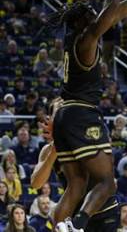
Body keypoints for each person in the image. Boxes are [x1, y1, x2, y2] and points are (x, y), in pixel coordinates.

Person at [48, 0, 127, 232]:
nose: (97, 16)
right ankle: (77, 226)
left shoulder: (75, 40)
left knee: (77, 182)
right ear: (83, 21)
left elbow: (110, 10)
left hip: (64, 116)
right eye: (92, 14)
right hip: (81, 114)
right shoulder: (86, 39)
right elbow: (112, 12)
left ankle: (60, 227)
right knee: (107, 182)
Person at [31, 98, 119, 232]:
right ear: (52, 118)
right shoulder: (47, 150)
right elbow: (36, 183)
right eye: (61, 110)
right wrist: (55, 149)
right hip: (73, 213)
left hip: (104, 210)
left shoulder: (91, 137)